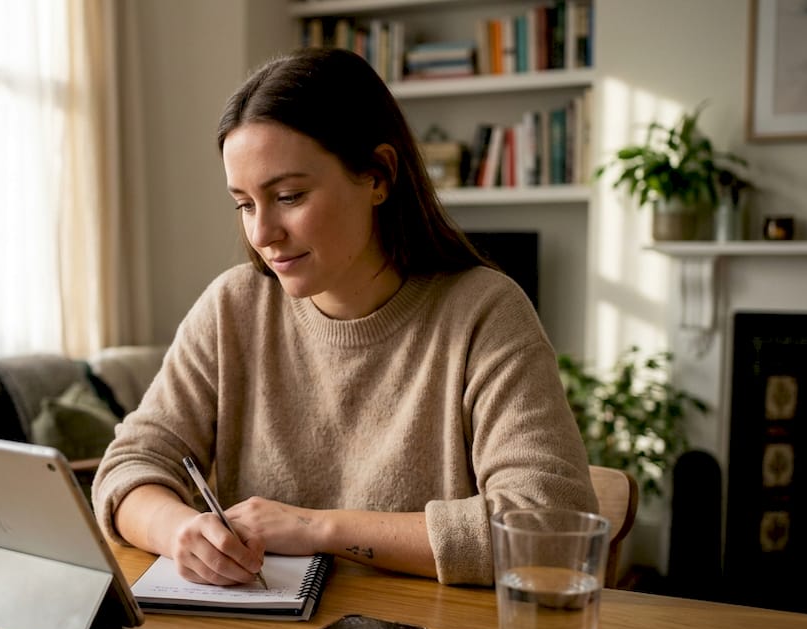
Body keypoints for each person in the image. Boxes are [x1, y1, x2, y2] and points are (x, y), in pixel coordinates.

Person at [91, 47, 597, 587]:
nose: (262, 234)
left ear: (378, 175)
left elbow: (551, 525)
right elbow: (127, 468)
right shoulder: (232, 307)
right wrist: (180, 533)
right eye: (244, 204)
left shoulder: (484, 313)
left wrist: (317, 528)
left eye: (288, 196)